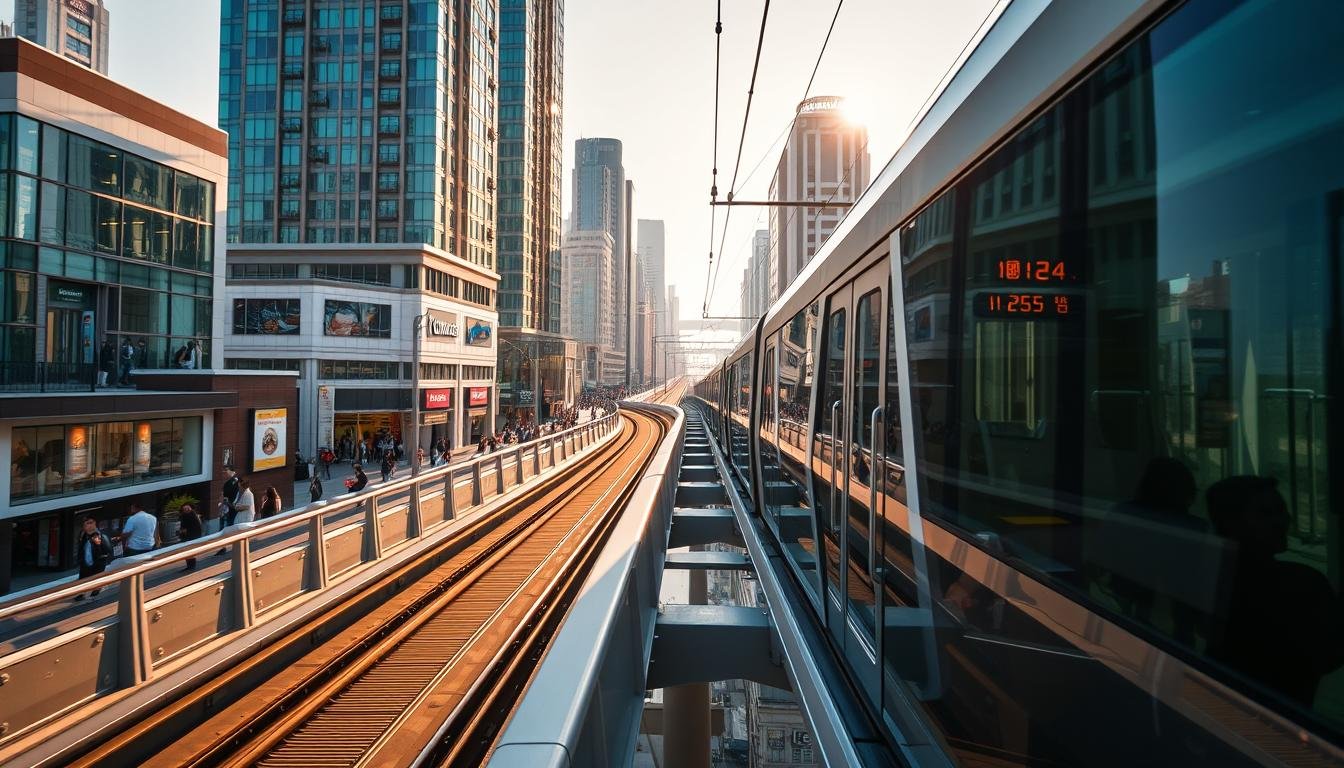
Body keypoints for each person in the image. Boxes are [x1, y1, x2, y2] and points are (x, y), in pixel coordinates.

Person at [75, 516, 113, 600]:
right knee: (83, 578)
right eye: (87, 523)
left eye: (92, 522)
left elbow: (108, 550)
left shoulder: (101, 535)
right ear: (84, 526)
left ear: (95, 523)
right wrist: (80, 560)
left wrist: (98, 544)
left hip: (98, 563)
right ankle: (82, 593)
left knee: (96, 580)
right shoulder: (83, 535)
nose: (90, 525)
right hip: (85, 562)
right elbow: (81, 548)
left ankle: (96, 591)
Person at [178, 503, 203, 572]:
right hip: (192, 536)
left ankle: (191, 566)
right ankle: (190, 565)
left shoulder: (189, 516)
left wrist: (182, 532)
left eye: (187, 508)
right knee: (189, 551)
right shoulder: (193, 515)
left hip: (190, 536)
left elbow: (186, 527)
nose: (186, 510)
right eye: (185, 509)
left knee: (189, 551)